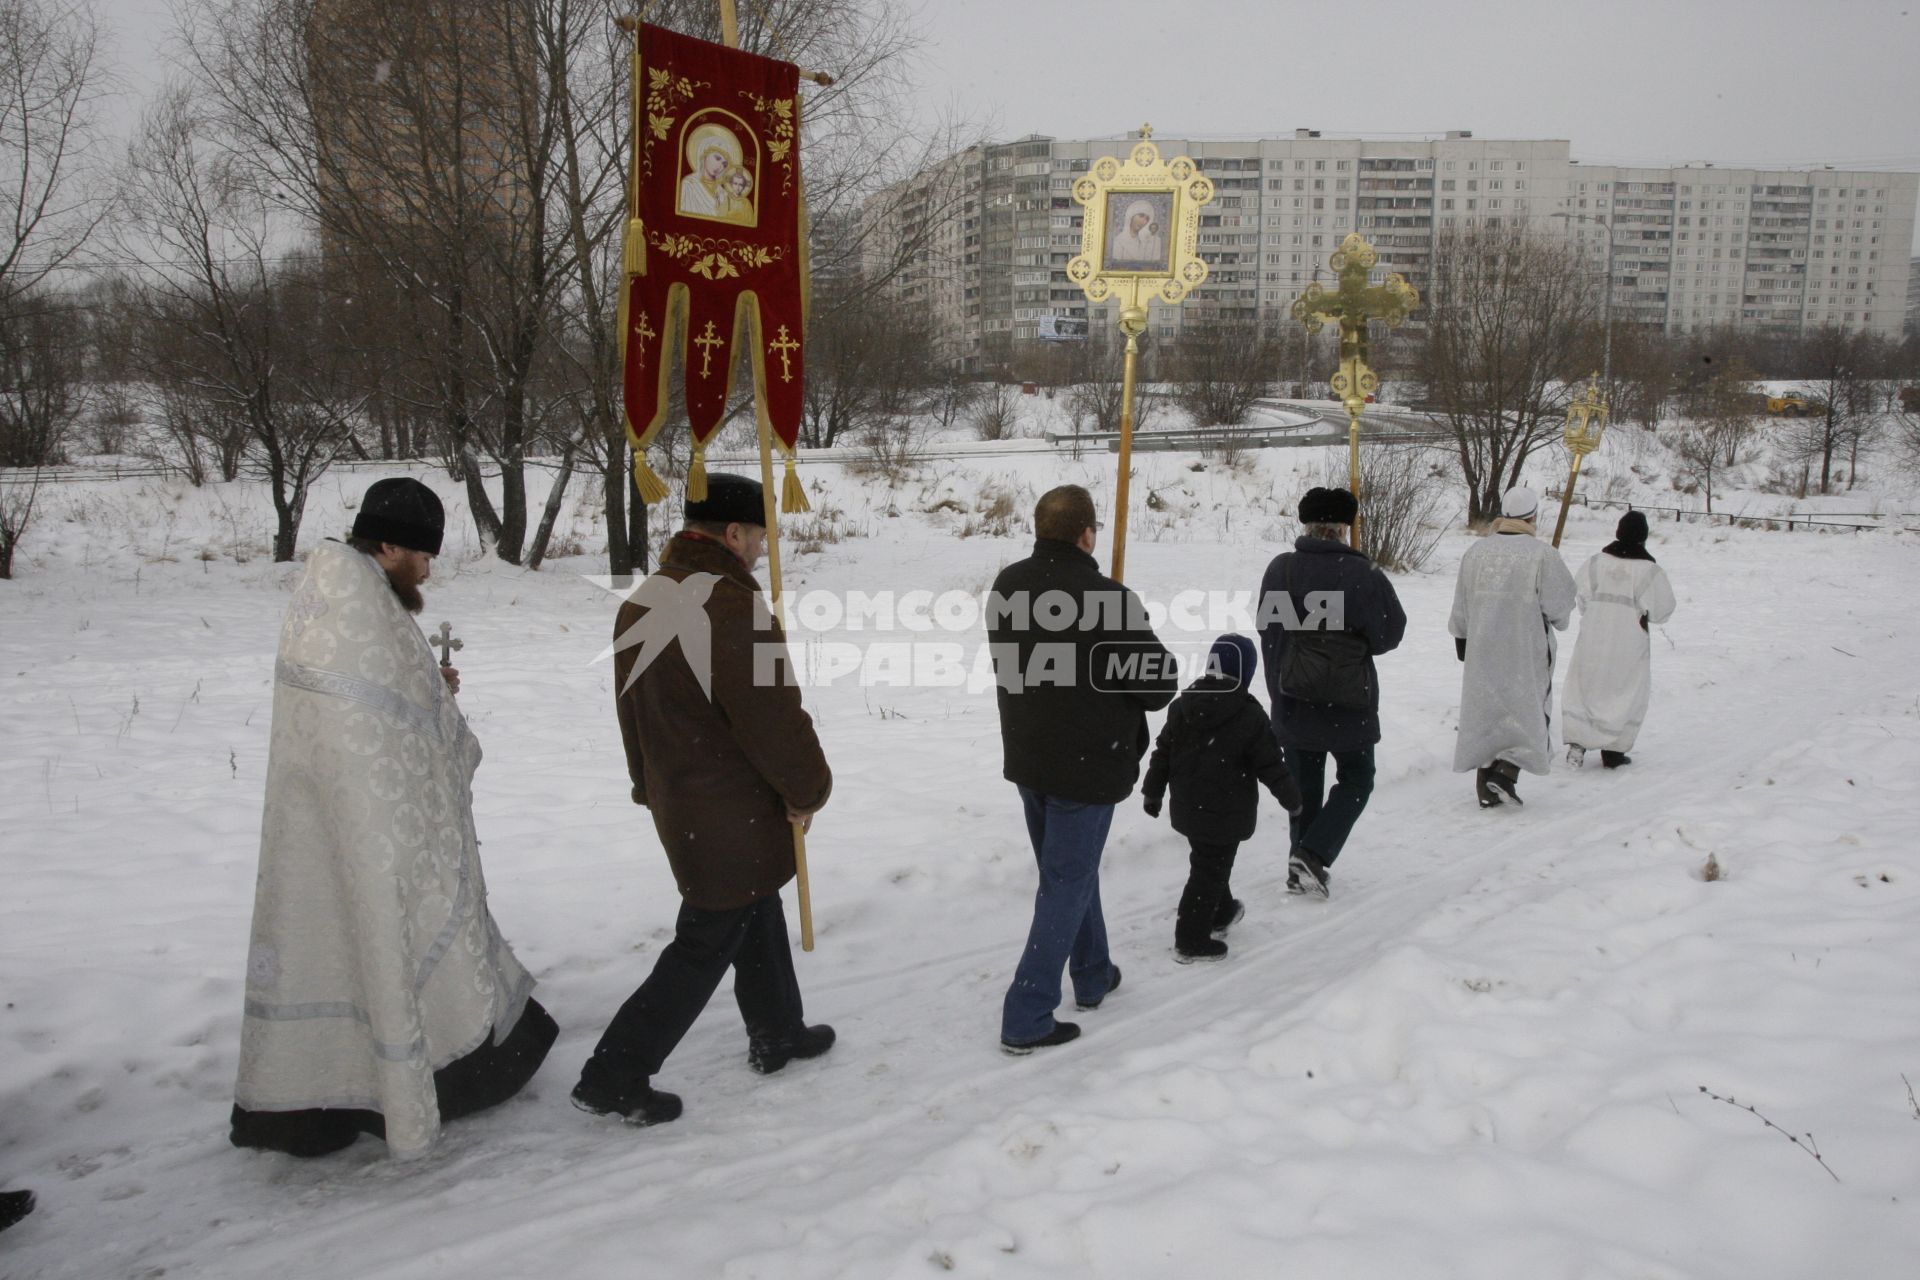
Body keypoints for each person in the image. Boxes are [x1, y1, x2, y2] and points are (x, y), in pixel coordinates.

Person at [232, 478, 557, 1160]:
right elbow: (377, 732)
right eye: (422, 555)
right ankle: (386, 1092)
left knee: (355, 946)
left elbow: (386, 709)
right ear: (385, 545)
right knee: (379, 943)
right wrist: (437, 715)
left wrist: (430, 695)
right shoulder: (355, 615)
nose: (430, 569)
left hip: (353, 823)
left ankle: (327, 1100)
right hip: (369, 829)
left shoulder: (346, 598)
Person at [574, 474, 833, 1127]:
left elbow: (631, 707)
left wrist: (647, 783)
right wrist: (808, 789)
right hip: (730, 803)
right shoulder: (728, 606)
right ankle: (615, 1073)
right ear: (736, 533)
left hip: (686, 798)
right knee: (707, 937)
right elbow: (774, 716)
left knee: (755, 905)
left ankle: (779, 1030)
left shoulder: (644, 598)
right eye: (759, 538)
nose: (760, 552)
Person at [989, 485, 1177, 1053]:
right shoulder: (1108, 599)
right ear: (1087, 534)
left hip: (1029, 753)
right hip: (1087, 763)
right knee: (1066, 881)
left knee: (1070, 871)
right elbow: (1156, 686)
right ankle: (1027, 1013)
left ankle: (1093, 972)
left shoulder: (1008, 584)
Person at [1258, 487, 1407, 900]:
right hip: (1349, 701)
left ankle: (1299, 862)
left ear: (1306, 524)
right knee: (1358, 778)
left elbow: (1270, 634)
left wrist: (1281, 692)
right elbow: (1390, 633)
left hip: (1293, 697)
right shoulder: (1363, 574)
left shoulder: (1281, 570)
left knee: (1304, 788)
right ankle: (1313, 854)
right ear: (1344, 528)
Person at [1142, 634, 1301, 961]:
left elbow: (1163, 753)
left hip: (1189, 807)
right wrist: (1291, 798)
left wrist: (1153, 791)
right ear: (1246, 672)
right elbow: (1271, 763)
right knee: (1208, 870)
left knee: (1208, 861)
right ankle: (1190, 940)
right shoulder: (1249, 715)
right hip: (1225, 812)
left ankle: (1222, 910)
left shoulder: (1184, 705)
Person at [1448, 485, 1578, 807]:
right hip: (1525, 650)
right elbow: (1560, 605)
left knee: (1487, 715)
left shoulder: (1476, 553)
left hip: (1482, 650)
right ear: (1533, 515)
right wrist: (1557, 618)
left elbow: (1461, 603)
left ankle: (1486, 786)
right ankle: (1505, 773)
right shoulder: (1542, 555)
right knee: (1527, 713)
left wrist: (1461, 637)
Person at [1561, 510, 1677, 769]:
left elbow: (1579, 597)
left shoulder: (1596, 562)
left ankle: (1578, 743)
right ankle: (1614, 750)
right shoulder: (1649, 571)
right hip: (1628, 643)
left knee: (1586, 687)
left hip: (1594, 636)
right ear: (1643, 537)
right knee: (1623, 693)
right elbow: (1663, 610)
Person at [678, 123, 743, 221]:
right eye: (717, 158)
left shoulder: (723, 193)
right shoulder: (689, 184)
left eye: (724, 164)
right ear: (704, 155)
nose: (720, 166)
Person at [1109, 200, 1164, 268]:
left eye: (1147, 219)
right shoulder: (1118, 241)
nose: (1143, 221)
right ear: (1130, 216)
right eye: (1141, 216)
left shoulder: (1147, 243)